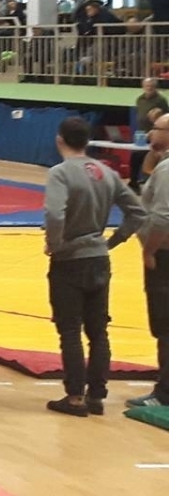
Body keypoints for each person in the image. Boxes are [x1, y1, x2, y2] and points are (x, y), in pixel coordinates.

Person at [43, 117, 147, 417]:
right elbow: (137, 212)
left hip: (70, 259)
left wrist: (55, 243)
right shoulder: (107, 172)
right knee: (99, 329)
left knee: (70, 329)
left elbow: (54, 212)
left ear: (59, 139)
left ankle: (75, 396)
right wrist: (113, 241)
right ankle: (97, 395)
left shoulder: (60, 173)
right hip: (99, 257)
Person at [133, 115, 169, 410]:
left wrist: (149, 250)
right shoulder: (161, 163)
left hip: (164, 256)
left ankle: (164, 392)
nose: (150, 132)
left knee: (165, 324)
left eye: (156, 129)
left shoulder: (168, 169)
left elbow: (162, 217)